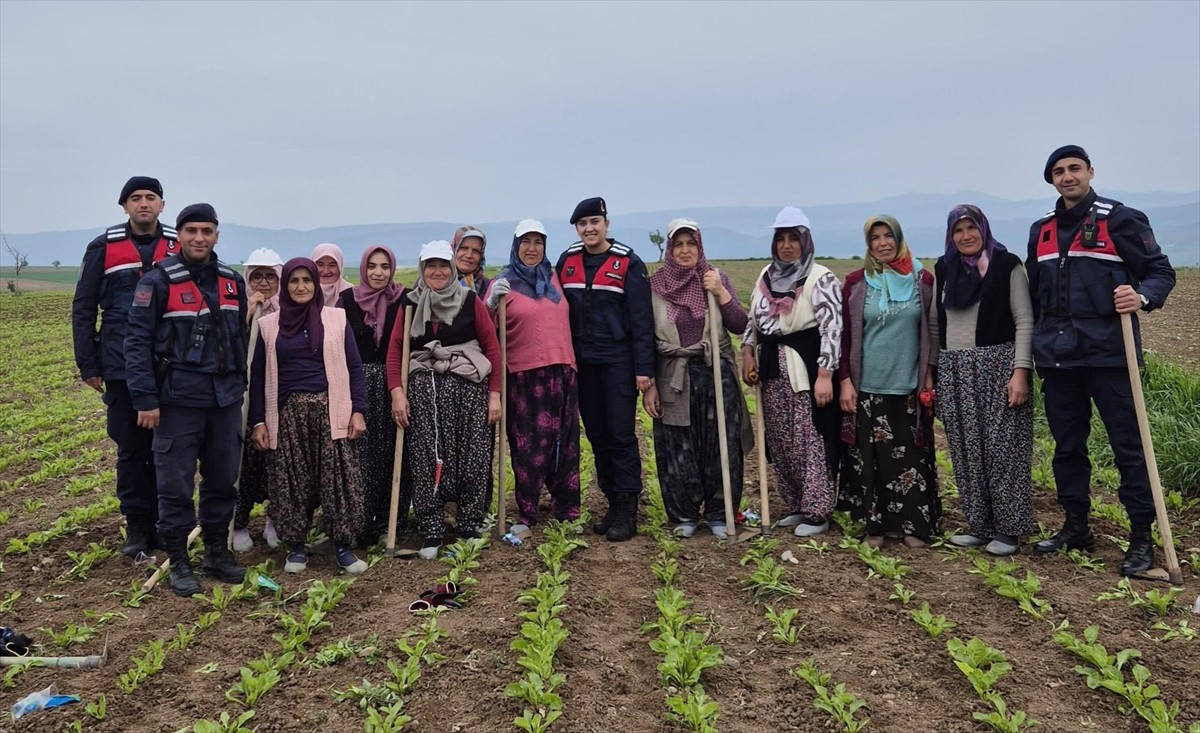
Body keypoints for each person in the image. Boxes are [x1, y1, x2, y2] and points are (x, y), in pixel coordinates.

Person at [1026, 145, 1176, 575]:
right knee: (1067, 448)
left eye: (1075, 168)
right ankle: (1076, 527)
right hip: (1057, 360)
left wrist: (1142, 295)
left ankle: (1141, 539)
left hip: (1112, 357)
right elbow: (1036, 295)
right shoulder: (1043, 231)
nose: (1067, 176)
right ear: (1051, 179)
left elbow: (1160, 271)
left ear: (1090, 171)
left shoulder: (1121, 219)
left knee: (1129, 447)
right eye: (1059, 171)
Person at [123, 203, 247, 596]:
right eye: (191, 231)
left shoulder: (232, 280)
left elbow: (239, 340)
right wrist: (144, 398)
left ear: (216, 236)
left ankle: (215, 552)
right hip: (177, 400)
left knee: (222, 481)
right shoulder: (157, 282)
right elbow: (136, 342)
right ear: (180, 235)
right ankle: (178, 559)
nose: (199, 238)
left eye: (207, 231)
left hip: (224, 399)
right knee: (174, 487)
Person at [72, 176, 178, 558]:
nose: (144, 204)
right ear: (125, 206)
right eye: (136, 198)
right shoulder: (102, 247)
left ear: (162, 205)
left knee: (169, 449)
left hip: (170, 363)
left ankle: (167, 523)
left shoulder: (179, 246)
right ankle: (137, 526)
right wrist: (88, 363)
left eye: (151, 197)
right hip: (118, 363)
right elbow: (83, 307)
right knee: (131, 449)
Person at [248, 258, 370, 575]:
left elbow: (354, 368)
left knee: (337, 482)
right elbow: (258, 375)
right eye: (294, 281)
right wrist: (258, 420)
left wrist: (358, 410)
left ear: (316, 285)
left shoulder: (335, 319)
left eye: (307, 280)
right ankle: (297, 548)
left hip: (330, 412)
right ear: (285, 285)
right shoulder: (269, 325)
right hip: (288, 416)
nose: (301, 287)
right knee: (291, 483)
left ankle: (343, 548)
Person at [387, 241, 502, 559]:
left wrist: (495, 396)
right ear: (422, 270)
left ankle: (469, 526)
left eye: (443, 265)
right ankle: (431, 532)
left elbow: (492, 348)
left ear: (452, 268)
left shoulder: (469, 300)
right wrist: (397, 393)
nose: (437, 272)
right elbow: (396, 350)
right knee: (425, 458)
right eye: (430, 266)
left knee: (474, 456)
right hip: (425, 394)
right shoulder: (409, 303)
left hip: (469, 390)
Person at [933, 205, 1036, 556]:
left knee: (1003, 449)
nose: (965, 236)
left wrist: (1020, 371)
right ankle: (979, 525)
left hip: (999, 366)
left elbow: (1024, 320)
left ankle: (1009, 530)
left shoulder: (1007, 265)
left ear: (983, 230)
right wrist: (934, 374)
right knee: (966, 451)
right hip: (954, 369)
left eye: (971, 228)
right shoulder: (944, 269)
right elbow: (936, 326)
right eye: (958, 230)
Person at [556, 197, 656, 542]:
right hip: (583, 364)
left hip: (618, 361)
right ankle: (612, 503)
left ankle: (628, 510)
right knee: (597, 436)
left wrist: (644, 369)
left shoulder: (628, 262)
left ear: (606, 224)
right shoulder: (567, 261)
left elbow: (642, 320)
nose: (589, 229)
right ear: (577, 228)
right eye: (582, 224)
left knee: (620, 435)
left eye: (594, 222)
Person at [837, 215, 940, 548]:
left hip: (907, 385)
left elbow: (932, 332)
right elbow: (846, 336)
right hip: (868, 387)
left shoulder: (922, 281)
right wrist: (846, 381)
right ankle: (876, 528)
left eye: (888, 236)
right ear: (868, 245)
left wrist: (927, 376)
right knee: (872, 460)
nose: (882, 243)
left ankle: (913, 526)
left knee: (910, 458)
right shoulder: (856, 283)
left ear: (899, 238)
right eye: (875, 238)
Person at [644, 218, 750, 539]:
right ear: (669, 249)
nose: (685, 250)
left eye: (691, 244)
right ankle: (684, 515)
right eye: (679, 244)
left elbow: (739, 324)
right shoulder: (653, 286)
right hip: (673, 375)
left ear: (700, 246)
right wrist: (648, 384)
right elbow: (644, 337)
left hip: (714, 371)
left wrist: (720, 293)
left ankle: (720, 512)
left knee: (722, 443)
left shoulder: (716, 278)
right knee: (678, 446)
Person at [741, 207, 843, 538]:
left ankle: (817, 510)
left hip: (804, 366)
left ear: (805, 241)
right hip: (771, 366)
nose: (786, 245)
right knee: (781, 439)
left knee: (808, 436)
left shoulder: (820, 277)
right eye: (781, 239)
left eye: (793, 239)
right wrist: (747, 353)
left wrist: (825, 374)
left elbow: (833, 329)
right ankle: (797, 503)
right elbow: (752, 321)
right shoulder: (765, 277)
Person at [485, 220, 581, 534]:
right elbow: (485, 330)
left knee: (564, 444)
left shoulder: (553, 279)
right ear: (516, 246)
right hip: (524, 375)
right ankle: (526, 513)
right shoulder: (503, 282)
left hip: (563, 369)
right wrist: (489, 305)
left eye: (538, 242)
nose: (532, 248)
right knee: (529, 447)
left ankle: (567, 507)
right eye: (525, 242)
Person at [339, 245, 408, 544]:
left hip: (394, 384)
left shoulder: (404, 300)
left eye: (384, 267)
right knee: (361, 455)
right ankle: (359, 522)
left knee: (393, 452)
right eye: (372, 266)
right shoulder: (347, 300)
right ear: (363, 268)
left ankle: (390, 522)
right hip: (359, 384)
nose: (378, 273)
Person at [231, 248, 284, 553]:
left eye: (270, 276)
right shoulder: (238, 307)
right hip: (243, 395)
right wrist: (247, 314)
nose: (264, 282)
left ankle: (275, 519)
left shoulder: (288, 309)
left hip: (276, 393)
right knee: (242, 460)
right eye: (257, 276)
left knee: (277, 461)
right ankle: (237, 522)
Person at [451, 225, 490, 297]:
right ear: (454, 249)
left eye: (476, 251)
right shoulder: (439, 281)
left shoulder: (489, 289)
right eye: (464, 248)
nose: (469, 255)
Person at [311, 243, 352, 307]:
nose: (326, 271)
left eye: (332, 265)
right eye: (320, 265)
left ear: (340, 267)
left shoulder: (353, 294)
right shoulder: (302, 293)